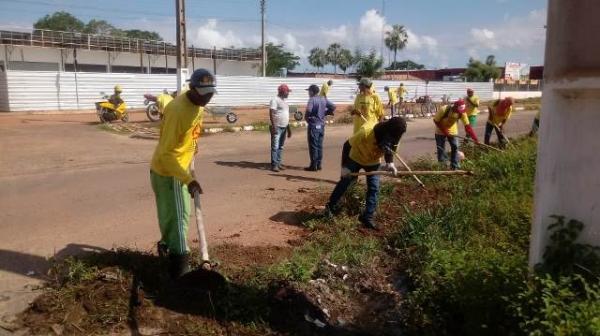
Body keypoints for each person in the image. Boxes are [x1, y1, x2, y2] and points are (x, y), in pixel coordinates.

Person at [150, 68, 216, 279]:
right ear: (192, 88)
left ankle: (166, 247)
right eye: (203, 93)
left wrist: (192, 146)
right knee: (180, 219)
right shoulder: (179, 111)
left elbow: (191, 132)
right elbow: (167, 153)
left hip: (170, 169)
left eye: (211, 92)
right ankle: (181, 269)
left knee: (171, 217)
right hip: (171, 173)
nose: (208, 97)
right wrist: (188, 180)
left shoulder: (197, 106)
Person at [325, 117, 407, 230]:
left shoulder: (395, 136)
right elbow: (347, 145)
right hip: (355, 158)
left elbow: (390, 150)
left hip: (373, 162)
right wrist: (344, 167)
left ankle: (367, 217)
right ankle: (331, 207)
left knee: (374, 188)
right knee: (345, 182)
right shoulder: (367, 131)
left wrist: (390, 163)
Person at [433, 99, 479, 170]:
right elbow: (436, 120)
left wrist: (475, 139)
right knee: (441, 149)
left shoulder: (462, 113)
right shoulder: (444, 109)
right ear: (454, 106)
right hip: (440, 130)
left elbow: (468, 127)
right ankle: (442, 167)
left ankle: (454, 166)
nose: (459, 112)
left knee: (455, 147)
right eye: (458, 111)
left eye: (460, 112)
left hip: (452, 130)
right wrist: (445, 131)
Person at [304, 84, 336, 171]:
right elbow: (333, 107)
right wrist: (326, 112)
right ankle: (319, 164)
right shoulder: (323, 99)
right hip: (321, 125)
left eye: (309, 91)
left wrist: (306, 118)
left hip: (313, 125)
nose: (308, 93)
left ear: (312, 91)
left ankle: (313, 165)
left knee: (313, 146)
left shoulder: (312, 100)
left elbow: (308, 111)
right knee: (319, 145)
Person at [269, 84, 292, 172]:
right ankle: (274, 165)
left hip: (284, 127)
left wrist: (289, 129)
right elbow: (271, 112)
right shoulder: (275, 100)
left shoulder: (284, 102)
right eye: (287, 91)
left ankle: (278, 163)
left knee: (280, 146)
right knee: (275, 146)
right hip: (277, 127)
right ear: (282, 91)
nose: (288, 93)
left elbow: (286, 115)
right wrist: (274, 126)